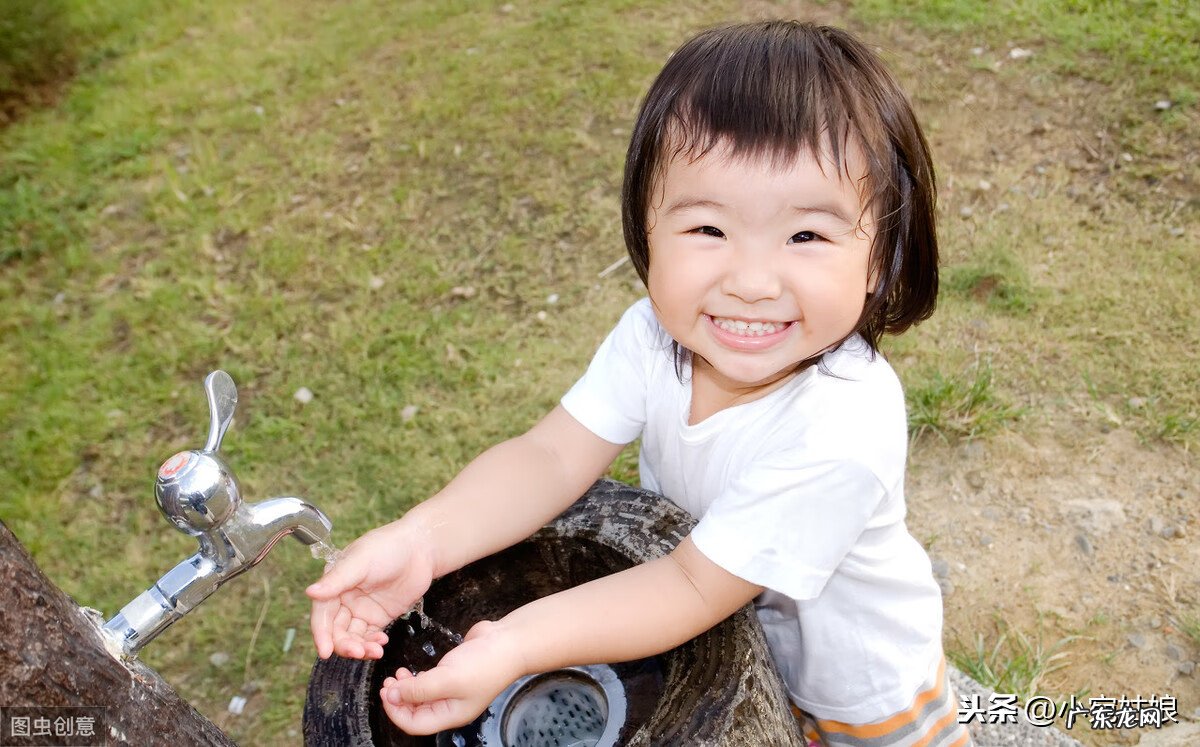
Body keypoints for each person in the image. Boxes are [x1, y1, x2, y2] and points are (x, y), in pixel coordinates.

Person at [307, 20, 970, 747]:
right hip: (734, 634)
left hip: (855, 693)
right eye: (707, 230)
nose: (750, 283)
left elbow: (690, 586)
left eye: (806, 236)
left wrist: (512, 644)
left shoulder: (844, 423)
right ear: (645, 229)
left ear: (879, 258)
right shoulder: (653, 338)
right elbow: (551, 457)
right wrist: (423, 539)